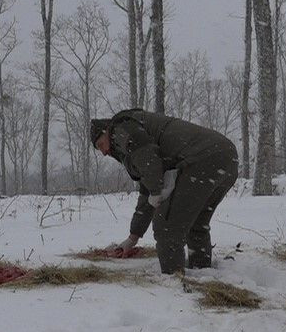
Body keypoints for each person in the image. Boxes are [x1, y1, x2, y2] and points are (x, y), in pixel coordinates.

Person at [90, 109, 240, 274]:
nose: (103, 152)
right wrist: (133, 237)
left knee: (166, 227)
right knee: (195, 224)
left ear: (106, 131)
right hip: (225, 157)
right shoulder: (134, 130)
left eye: (100, 145)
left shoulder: (119, 129)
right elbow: (147, 187)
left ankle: (173, 282)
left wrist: (156, 191)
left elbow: (148, 160)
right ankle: (202, 274)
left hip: (202, 160)